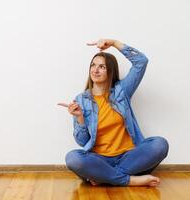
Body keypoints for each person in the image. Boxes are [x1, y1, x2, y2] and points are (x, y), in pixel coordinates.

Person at [58, 39, 169, 186]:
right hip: (99, 159)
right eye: (93, 65)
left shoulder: (121, 91)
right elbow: (83, 142)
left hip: (129, 157)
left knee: (160, 144)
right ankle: (130, 180)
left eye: (102, 67)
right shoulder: (81, 100)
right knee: (72, 158)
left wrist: (114, 43)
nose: (95, 70)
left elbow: (141, 61)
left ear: (110, 71)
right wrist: (80, 119)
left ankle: (105, 176)